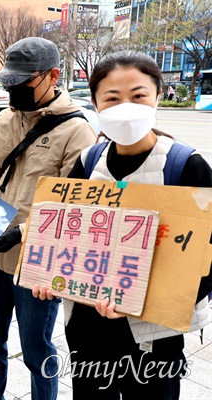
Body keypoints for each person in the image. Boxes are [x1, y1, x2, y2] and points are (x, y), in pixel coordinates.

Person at [33, 50, 212, 399]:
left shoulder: (186, 167)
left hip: (152, 336)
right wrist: (44, 270)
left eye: (138, 95)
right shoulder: (88, 161)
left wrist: (142, 301)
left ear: (158, 96)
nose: (125, 106)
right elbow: (62, 230)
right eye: (112, 98)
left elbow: (206, 260)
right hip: (86, 324)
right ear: (96, 105)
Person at [0, 37, 96, 399]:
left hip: (41, 259)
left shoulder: (78, 132)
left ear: (52, 76)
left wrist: (25, 232)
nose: (12, 90)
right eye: (7, 82)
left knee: (37, 349)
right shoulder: (5, 119)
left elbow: (73, 209)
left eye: (22, 83)